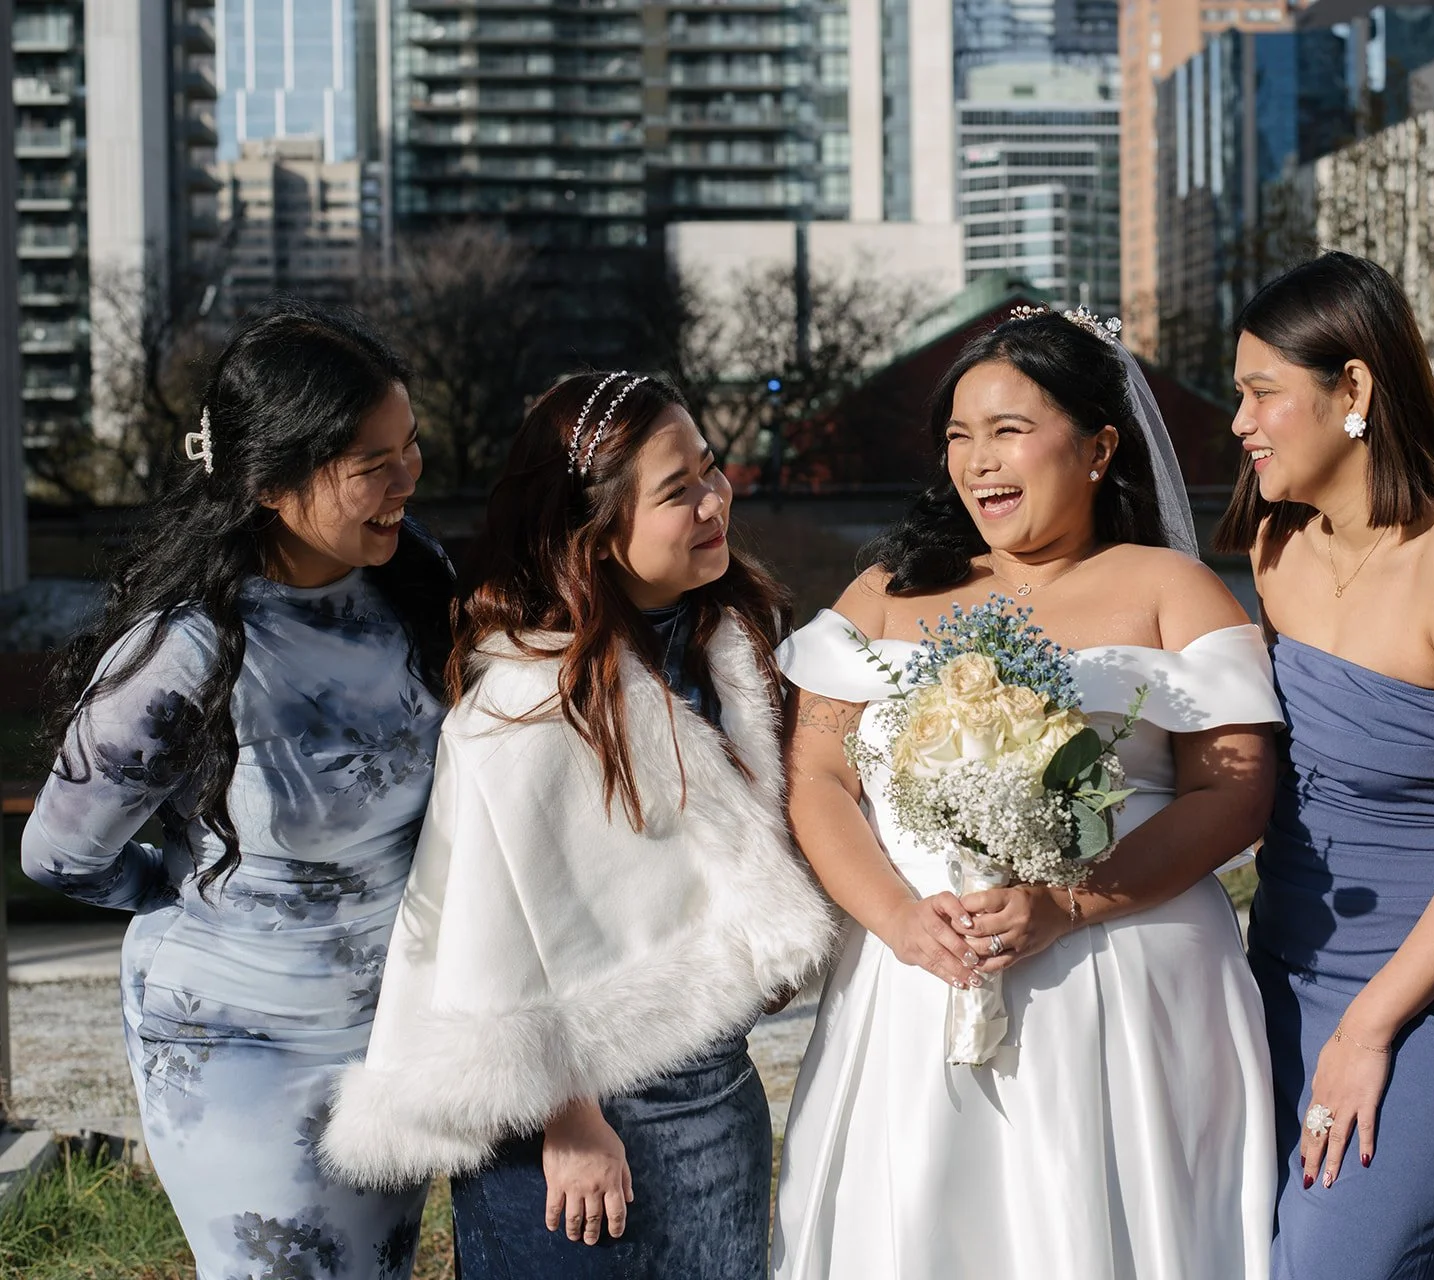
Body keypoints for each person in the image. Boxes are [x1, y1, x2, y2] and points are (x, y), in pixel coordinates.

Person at [772, 304, 1283, 1278]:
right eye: (960, 436)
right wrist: (896, 917)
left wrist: (1066, 902)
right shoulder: (884, 589)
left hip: (1118, 969)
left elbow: (1233, 793)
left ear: (1097, 446)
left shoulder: (1169, 586)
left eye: (1008, 430)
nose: (978, 461)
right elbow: (819, 775)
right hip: (912, 974)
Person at [320, 371, 836, 1280]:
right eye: (679, 492)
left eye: (710, 471)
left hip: (719, 1093)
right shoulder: (524, 700)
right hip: (583, 1124)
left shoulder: (727, 643)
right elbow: (494, 923)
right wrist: (567, 1115)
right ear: (595, 535)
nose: (716, 500)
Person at [22, 299, 454, 1279]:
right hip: (235, 1043)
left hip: (386, 1039)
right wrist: (181, 885)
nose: (406, 479)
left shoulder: (408, 574)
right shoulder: (184, 654)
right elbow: (58, 852)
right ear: (269, 483)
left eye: (410, 445)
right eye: (371, 464)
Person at [1218, 252, 1434, 1279]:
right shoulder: (1274, 548)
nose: (1239, 420)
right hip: (1278, 978)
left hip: (1426, 1003)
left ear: (1353, 388)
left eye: (1262, 393)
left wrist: (1369, 1026)